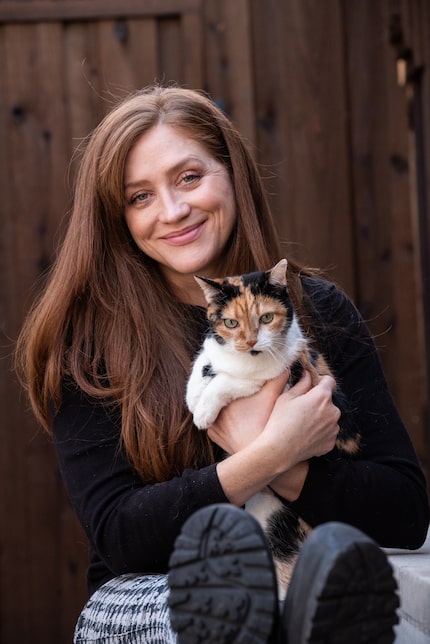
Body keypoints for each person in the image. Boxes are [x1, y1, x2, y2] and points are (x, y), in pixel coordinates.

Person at [16, 85, 429, 644]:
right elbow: (120, 535)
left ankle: (293, 609)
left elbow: (404, 511)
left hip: (298, 562)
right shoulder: (88, 345)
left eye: (189, 177)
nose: (173, 210)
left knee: (310, 589)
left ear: (232, 172)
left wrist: (292, 467)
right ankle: (279, 613)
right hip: (146, 592)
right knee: (236, 599)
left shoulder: (316, 311)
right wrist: (273, 451)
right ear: (117, 219)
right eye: (139, 197)